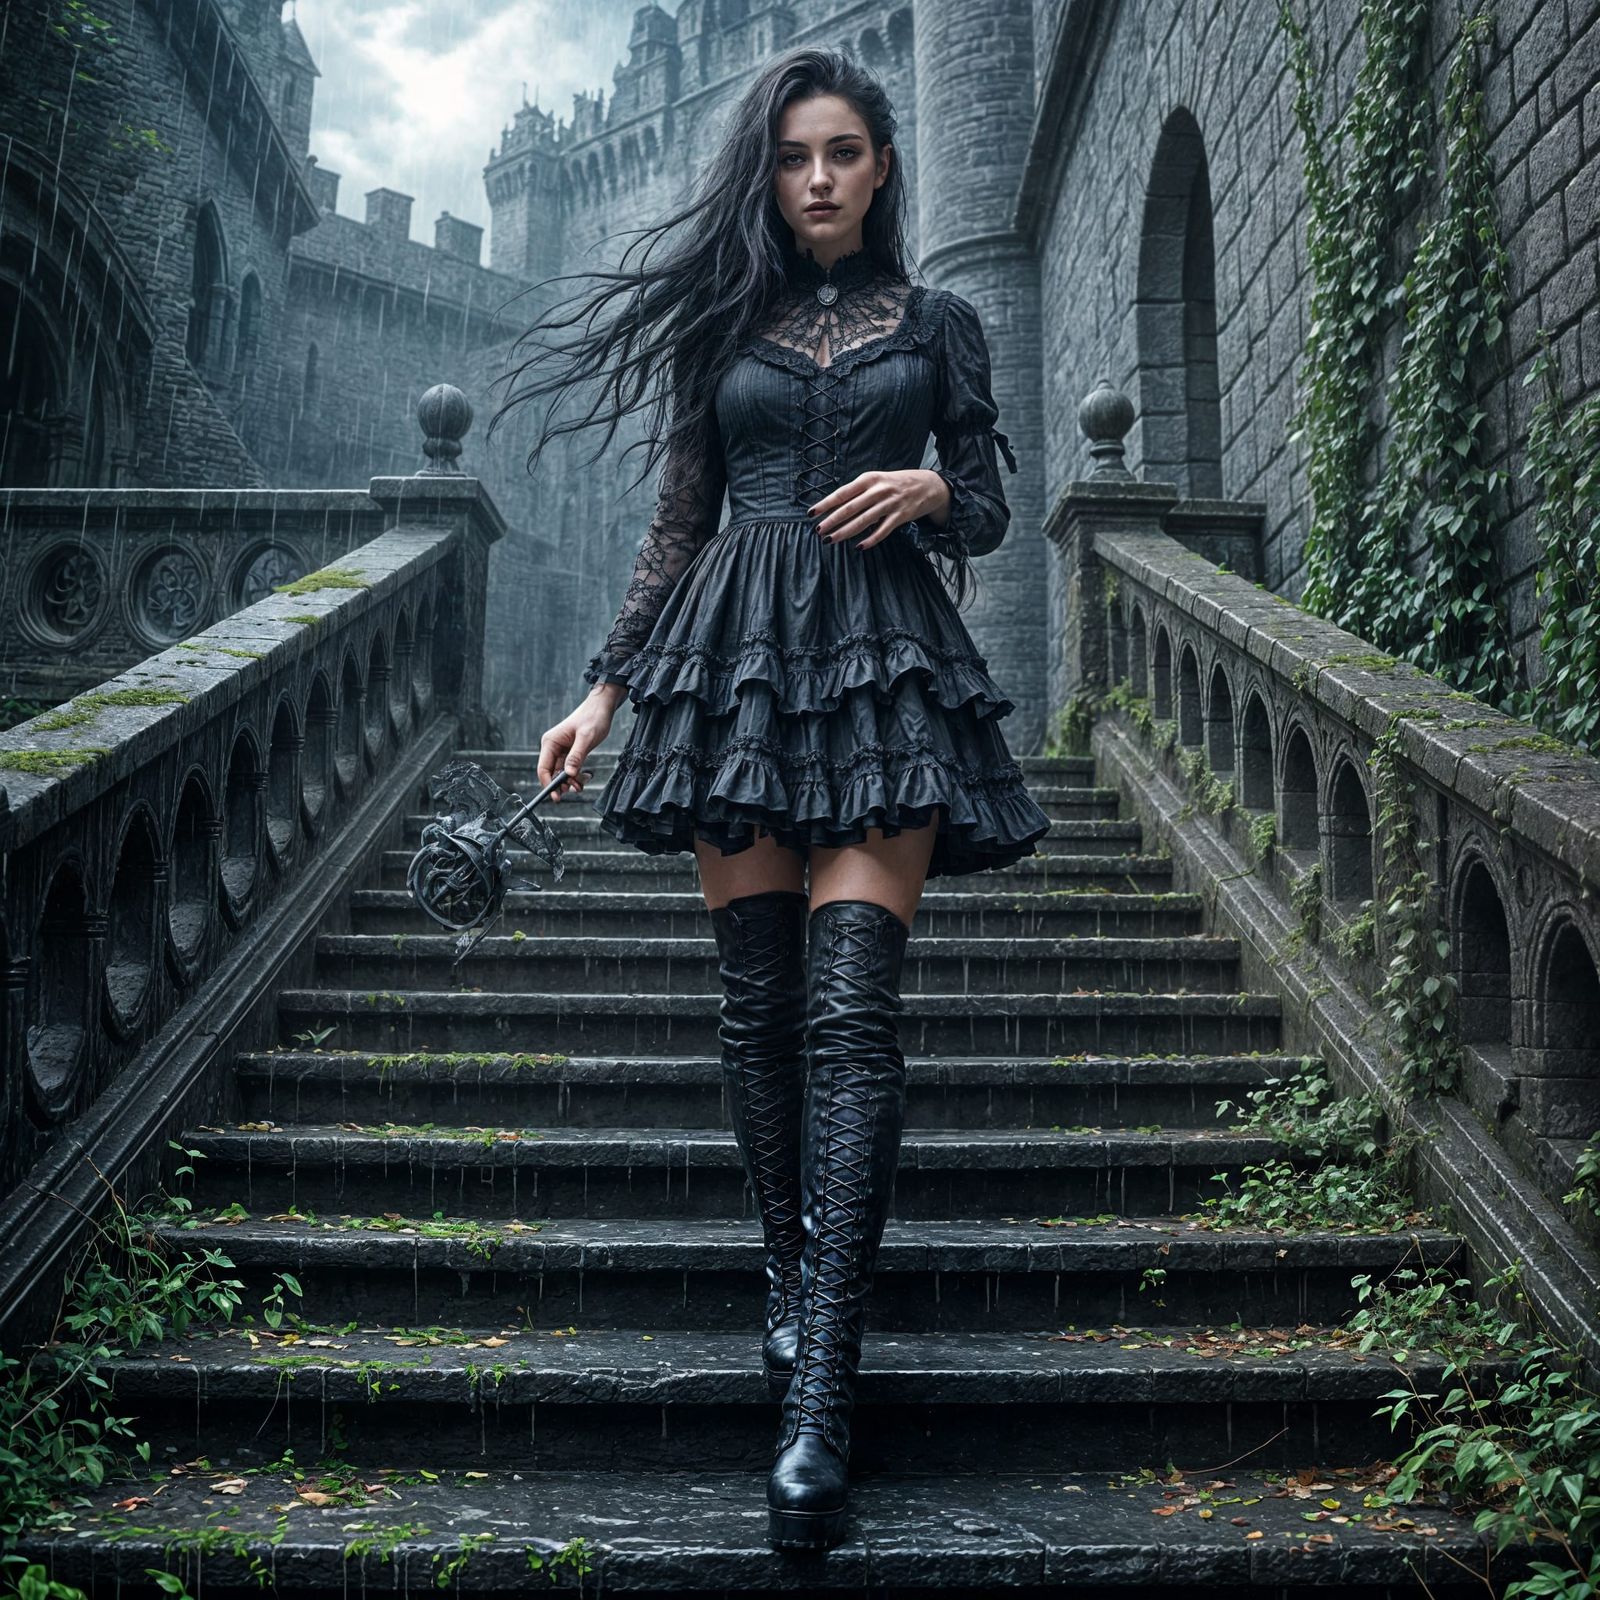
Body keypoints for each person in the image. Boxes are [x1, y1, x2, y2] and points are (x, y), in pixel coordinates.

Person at [489, 46, 1050, 1553]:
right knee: (759, 1009)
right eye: (795, 155)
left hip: (882, 669)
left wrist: (937, 490)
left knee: (852, 1013)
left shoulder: (940, 320)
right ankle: (787, 1269)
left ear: (882, 166)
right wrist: (601, 695)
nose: (818, 178)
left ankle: (823, 1392)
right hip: (730, 666)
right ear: (770, 171)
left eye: (843, 151)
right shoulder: (721, 328)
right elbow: (677, 525)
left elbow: (994, 504)